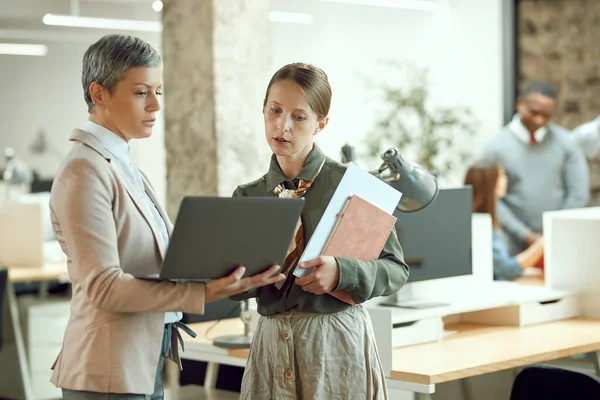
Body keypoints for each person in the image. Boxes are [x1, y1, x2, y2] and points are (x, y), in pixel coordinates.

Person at [49, 34, 284, 400]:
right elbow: (103, 287)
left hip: (140, 364)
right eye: (142, 92)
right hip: (106, 374)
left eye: (158, 91)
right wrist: (200, 292)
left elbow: (161, 259)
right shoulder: (84, 170)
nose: (156, 105)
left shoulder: (123, 165)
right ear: (99, 94)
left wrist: (233, 265)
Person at [231, 62, 410, 400]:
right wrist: (252, 274)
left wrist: (342, 271)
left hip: (336, 345)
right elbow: (233, 288)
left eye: (299, 117)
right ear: (263, 111)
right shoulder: (248, 196)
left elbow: (395, 270)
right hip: (270, 345)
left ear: (321, 124)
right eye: (275, 111)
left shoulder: (353, 185)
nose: (282, 126)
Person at [483, 81, 589, 256]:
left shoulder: (567, 143)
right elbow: (491, 198)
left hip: (559, 242)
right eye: (534, 112)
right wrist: (526, 235)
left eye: (546, 115)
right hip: (512, 244)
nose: (539, 120)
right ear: (519, 104)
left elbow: (578, 193)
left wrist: (556, 231)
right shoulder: (496, 147)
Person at [465, 161, 544, 280]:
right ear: (490, 183)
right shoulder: (480, 226)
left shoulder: (493, 215)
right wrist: (540, 246)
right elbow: (503, 270)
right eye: (502, 176)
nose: (505, 180)